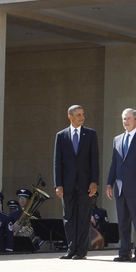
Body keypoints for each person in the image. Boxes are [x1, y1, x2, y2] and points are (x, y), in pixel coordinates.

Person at [106, 108, 136, 263]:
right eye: (123, 119)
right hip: (120, 188)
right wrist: (109, 183)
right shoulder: (117, 139)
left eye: (128, 118)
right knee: (123, 223)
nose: (125, 121)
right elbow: (114, 164)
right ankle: (124, 252)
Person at [54, 104, 99, 260]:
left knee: (83, 217)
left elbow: (95, 160)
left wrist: (94, 181)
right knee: (69, 217)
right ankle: (71, 249)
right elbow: (57, 162)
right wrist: (58, 184)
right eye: (78, 115)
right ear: (70, 117)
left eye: (83, 114)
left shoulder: (90, 134)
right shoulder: (61, 136)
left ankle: (81, 251)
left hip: (85, 184)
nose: (82, 117)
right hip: (67, 185)